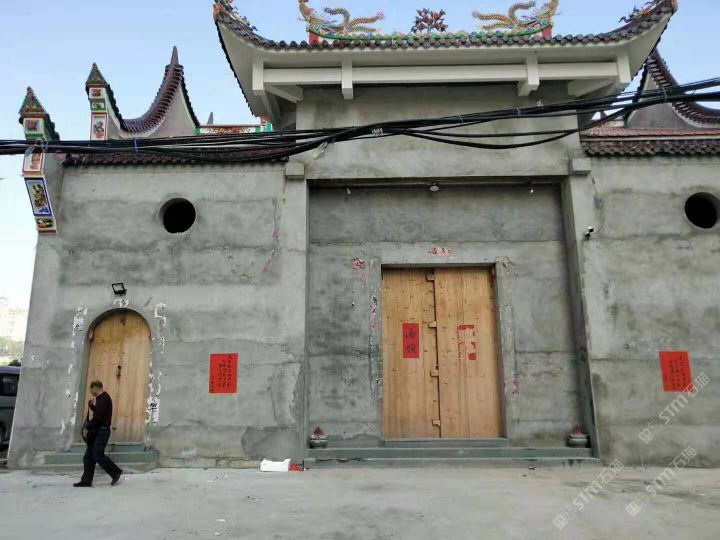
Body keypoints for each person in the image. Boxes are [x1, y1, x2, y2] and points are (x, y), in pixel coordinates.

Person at [74, 381, 123, 487]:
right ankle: (86, 480)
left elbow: (98, 417)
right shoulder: (100, 399)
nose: (91, 392)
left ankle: (115, 472)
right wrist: (92, 407)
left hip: (102, 431)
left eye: (91, 389)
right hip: (97, 431)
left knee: (97, 455)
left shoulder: (104, 398)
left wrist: (88, 426)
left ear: (95, 388)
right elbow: (99, 413)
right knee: (88, 457)